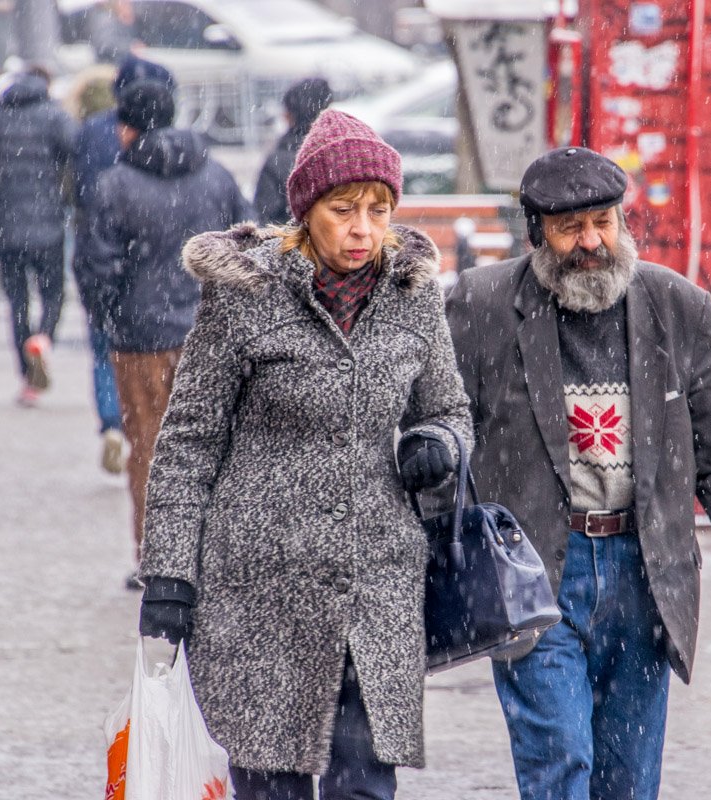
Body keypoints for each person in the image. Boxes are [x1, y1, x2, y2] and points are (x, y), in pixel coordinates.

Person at [136, 108, 472, 799]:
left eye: (379, 210)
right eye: (343, 209)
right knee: (269, 784)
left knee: (363, 788)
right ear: (305, 211)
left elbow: (450, 409)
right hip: (258, 592)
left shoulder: (413, 297)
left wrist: (439, 443)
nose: (363, 229)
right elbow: (188, 443)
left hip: (372, 587)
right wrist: (169, 575)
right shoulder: (246, 296)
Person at [443, 146, 711, 800]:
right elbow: (441, 431)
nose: (591, 242)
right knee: (560, 761)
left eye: (604, 221)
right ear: (535, 233)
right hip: (537, 572)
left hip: (646, 572)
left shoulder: (678, 309)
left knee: (628, 782)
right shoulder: (481, 306)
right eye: (569, 228)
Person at [81, 78, 252, 589]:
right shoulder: (216, 176)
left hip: (140, 338)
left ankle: (158, 560)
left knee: (150, 449)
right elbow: (246, 243)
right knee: (218, 445)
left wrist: (111, 317)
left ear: (125, 129)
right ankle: (213, 554)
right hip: (211, 333)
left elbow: (96, 267)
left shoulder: (113, 185)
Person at [72, 56, 176, 475]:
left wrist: (101, 303)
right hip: (174, 300)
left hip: (123, 296)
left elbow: (79, 196)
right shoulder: (198, 163)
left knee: (102, 353)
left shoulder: (94, 142)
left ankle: (112, 425)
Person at [0, 64, 77, 406]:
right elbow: (77, 156)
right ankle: (43, 338)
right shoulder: (54, 118)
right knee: (54, 292)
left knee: (17, 301)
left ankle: (27, 379)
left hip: (6, 229)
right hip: (47, 225)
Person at [254, 77, 332, 224]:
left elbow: (264, 221)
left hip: (291, 243)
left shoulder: (278, 161)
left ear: (289, 115)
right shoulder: (343, 156)